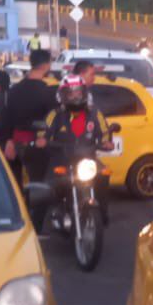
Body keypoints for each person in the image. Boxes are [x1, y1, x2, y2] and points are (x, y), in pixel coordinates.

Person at [43, 66, 115, 222]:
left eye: (78, 92)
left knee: (103, 175)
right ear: (63, 95)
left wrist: (106, 142)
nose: (75, 96)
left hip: (87, 159)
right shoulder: (55, 114)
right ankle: (55, 212)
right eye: (71, 92)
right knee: (52, 184)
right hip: (62, 159)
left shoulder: (95, 113)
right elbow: (43, 132)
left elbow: (104, 133)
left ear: (84, 93)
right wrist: (42, 140)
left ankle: (101, 214)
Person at [6, 49, 58, 184]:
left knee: (17, 186)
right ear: (47, 65)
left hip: (16, 144)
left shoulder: (14, 90)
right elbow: (54, 121)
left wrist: (9, 141)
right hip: (38, 146)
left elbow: (7, 118)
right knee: (37, 186)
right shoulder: (48, 92)